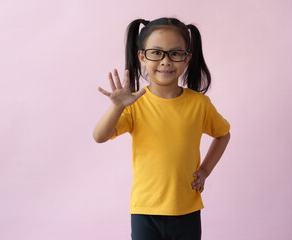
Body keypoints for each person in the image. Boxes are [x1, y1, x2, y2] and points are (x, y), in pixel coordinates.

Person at [93, 17, 230, 240]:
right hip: (145, 210)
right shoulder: (135, 104)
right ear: (142, 57)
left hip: (187, 209)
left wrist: (204, 171)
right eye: (156, 53)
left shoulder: (199, 104)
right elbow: (99, 136)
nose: (166, 61)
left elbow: (223, 135)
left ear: (187, 59)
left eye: (175, 53)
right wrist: (117, 107)